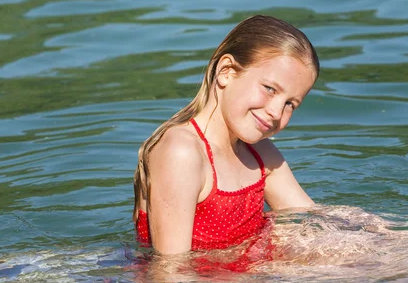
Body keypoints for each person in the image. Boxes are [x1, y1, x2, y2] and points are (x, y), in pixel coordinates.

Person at [132, 15, 319, 257]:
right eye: (270, 89)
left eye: (290, 104)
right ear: (226, 72)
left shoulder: (259, 153)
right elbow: (170, 274)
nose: (276, 112)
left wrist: (376, 233)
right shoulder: (181, 152)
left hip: (242, 280)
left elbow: (313, 219)